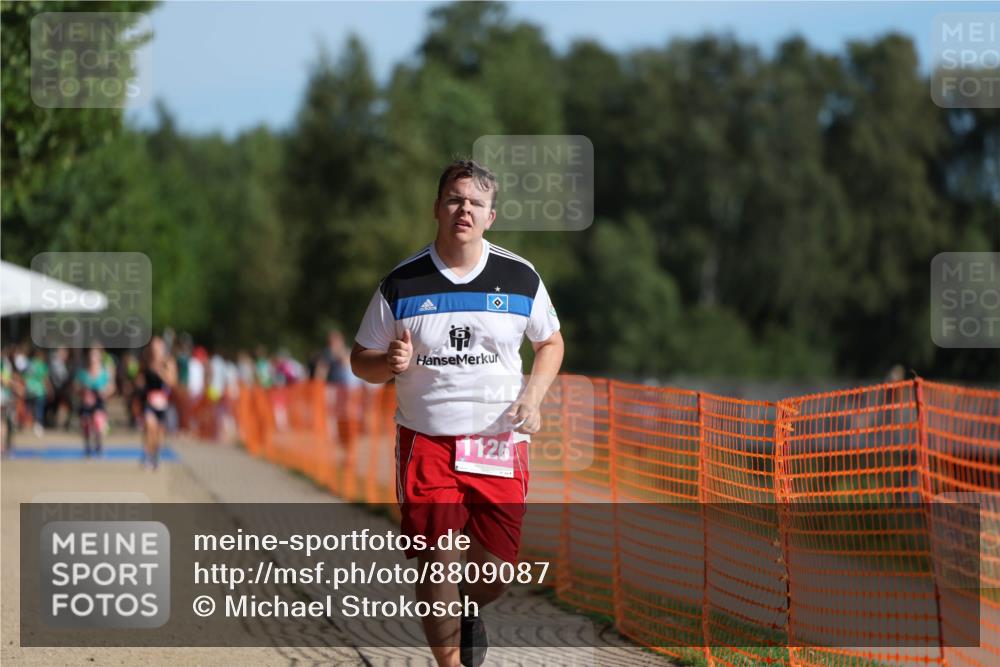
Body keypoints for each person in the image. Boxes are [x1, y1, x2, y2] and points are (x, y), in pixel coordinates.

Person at [351, 159, 564, 667]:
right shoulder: (402, 283)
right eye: (454, 199)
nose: (463, 209)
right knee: (437, 562)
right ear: (437, 208)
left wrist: (532, 398)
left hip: (498, 440)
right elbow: (362, 361)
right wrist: (388, 361)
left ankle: (468, 612)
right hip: (427, 441)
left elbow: (551, 343)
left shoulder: (519, 277)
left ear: (491, 216)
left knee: (495, 572)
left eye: (475, 202)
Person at [139, 336, 177, 470]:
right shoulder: (146, 362)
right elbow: (141, 380)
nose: (155, 350)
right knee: (150, 428)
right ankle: (147, 455)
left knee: (159, 435)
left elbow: (172, 382)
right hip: (149, 402)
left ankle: (155, 455)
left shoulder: (168, 362)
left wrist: (160, 371)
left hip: (163, 403)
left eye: (158, 347)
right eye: (153, 347)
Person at [75, 346, 116, 457]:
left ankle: (99, 446)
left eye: (95, 355)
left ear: (99, 357)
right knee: (86, 424)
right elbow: (75, 387)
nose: (92, 358)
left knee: (98, 424)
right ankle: (87, 447)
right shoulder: (83, 373)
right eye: (91, 355)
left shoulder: (104, 373)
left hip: (99, 401)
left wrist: (105, 393)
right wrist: (82, 391)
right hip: (86, 402)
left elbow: (112, 387)